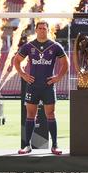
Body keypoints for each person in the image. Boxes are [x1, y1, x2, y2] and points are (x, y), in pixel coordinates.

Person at [13, 20, 69, 155]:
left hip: (48, 87)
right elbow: (16, 60)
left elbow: (65, 64)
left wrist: (58, 77)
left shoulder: (55, 46)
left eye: (44, 28)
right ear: (36, 30)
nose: (42, 30)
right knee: (30, 115)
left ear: (47, 30)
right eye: (40, 28)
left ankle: (55, 145)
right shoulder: (29, 46)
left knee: (51, 114)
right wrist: (23, 74)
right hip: (33, 86)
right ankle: (27, 145)